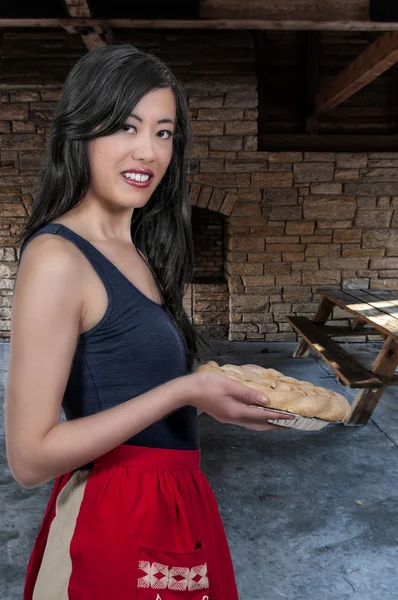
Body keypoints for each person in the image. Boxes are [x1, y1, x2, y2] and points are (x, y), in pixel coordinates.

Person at [5, 45, 294, 600]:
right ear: (81, 131)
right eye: (127, 127)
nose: (148, 151)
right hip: (113, 519)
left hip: (172, 507)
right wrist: (183, 391)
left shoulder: (133, 248)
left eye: (164, 133)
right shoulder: (58, 257)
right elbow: (30, 457)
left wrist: (211, 393)